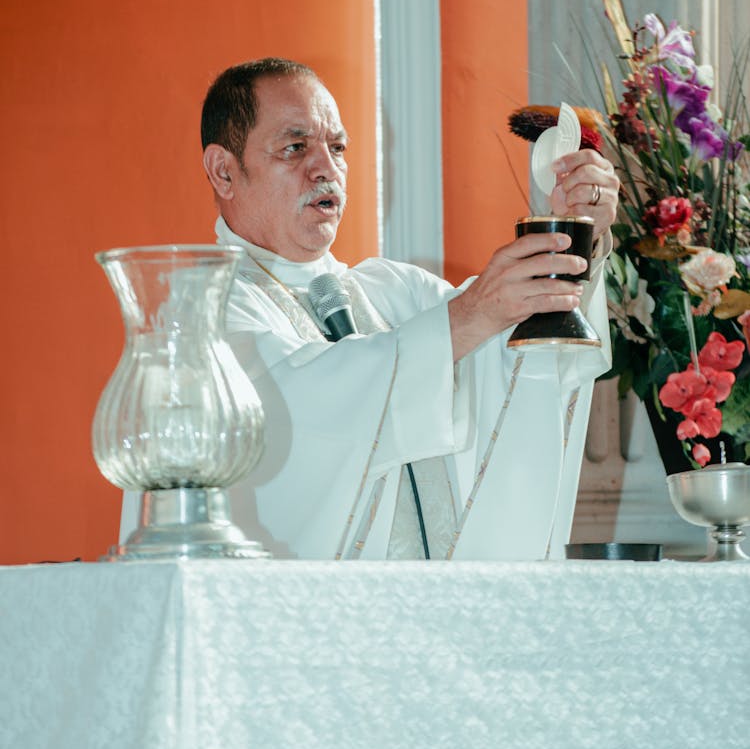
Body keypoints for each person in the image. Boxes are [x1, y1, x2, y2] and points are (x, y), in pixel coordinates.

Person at [200, 57, 619, 560]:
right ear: (224, 171)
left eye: (337, 148)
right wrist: (472, 315)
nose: (326, 168)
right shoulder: (206, 313)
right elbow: (303, 408)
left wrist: (576, 240)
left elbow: (520, 369)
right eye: (295, 148)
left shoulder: (395, 292)